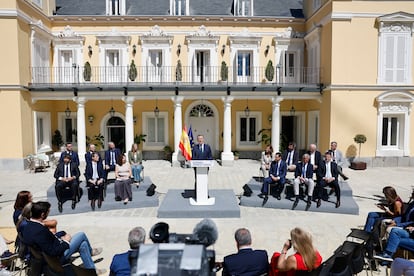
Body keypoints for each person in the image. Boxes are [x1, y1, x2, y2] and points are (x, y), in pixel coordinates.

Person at [21, 201, 106, 274]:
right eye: (48, 212)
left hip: (48, 254)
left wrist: (59, 238)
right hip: (56, 259)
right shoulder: (40, 230)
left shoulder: (28, 226)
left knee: (83, 245)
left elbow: (45, 243)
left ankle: (92, 270)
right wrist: (66, 241)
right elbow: (52, 252)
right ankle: (91, 253)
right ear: (43, 214)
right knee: (81, 235)